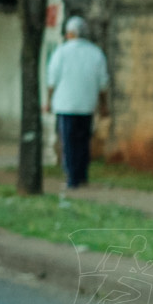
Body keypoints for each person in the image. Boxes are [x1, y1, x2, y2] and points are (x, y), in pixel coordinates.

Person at [45, 16, 109, 189]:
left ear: (70, 33)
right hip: (86, 105)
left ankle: (72, 178)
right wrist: (103, 105)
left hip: (65, 105)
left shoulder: (61, 52)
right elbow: (103, 84)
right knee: (83, 142)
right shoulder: (96, 53)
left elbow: (52, 81)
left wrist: (48, 101)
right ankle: (82, 175)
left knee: (69, 142)